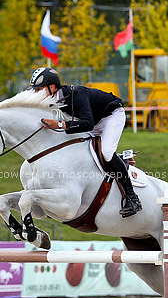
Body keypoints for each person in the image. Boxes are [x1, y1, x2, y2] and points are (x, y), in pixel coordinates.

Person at [29, 67, 142, 217]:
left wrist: (60, 125)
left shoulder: (76, 94)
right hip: (93, 121)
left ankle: (132, 198)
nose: (36, 94)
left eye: (39, 89)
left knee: (107, 152)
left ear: (52, 87)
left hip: (110, 116)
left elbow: (87, 123)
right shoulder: (51, 100)